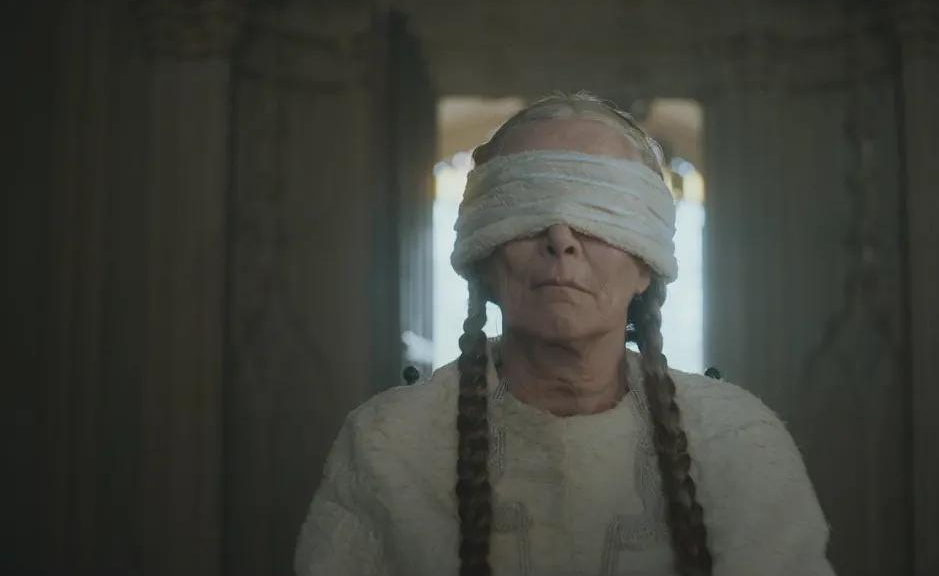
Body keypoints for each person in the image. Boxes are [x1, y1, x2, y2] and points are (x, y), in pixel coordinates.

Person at [294, 92, 834, 576]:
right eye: (528, 208)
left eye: (599, 212)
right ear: (485, 256)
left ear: (646, 264)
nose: (561, 239)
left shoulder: (738, 444)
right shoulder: (388, 446)